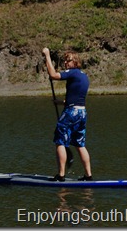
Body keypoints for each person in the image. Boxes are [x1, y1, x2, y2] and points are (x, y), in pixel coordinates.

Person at [42, 47, 93, 182]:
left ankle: (61, 175)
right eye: (65, 61)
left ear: (75, 62)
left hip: (71, 113)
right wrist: (60, 102)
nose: (65, 63)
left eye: (68, 61)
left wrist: (47, 56)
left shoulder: (73, 72)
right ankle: (88, 176)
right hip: (82, 112)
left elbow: (53, 75)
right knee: (79, 144)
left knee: (60, 141)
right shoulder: (83, 76)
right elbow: (76, 98)